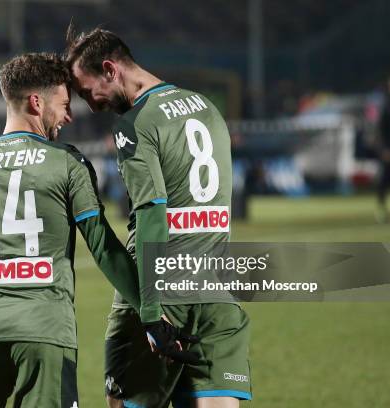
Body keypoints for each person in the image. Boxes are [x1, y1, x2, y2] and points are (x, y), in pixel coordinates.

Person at [0, 53, 154, 407]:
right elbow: (103, 247)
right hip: (45, 334)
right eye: (64, 104)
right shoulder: (68, 163)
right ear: (36, 102)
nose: (68, 116)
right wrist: (151, 314)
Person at [65, 27, 252, 407]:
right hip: (217, 290)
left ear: (110, 69)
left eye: (88, 92)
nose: (91, 104)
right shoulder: (206, 106)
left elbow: (152, 215)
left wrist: (150, 312)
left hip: (159, 290)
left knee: (125, 401)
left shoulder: (135, 125)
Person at [377, 75, 390, 222]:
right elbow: (381, 129)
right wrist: (385, 148)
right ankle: (382, 209)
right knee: (385, 180)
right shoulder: (387, 105)